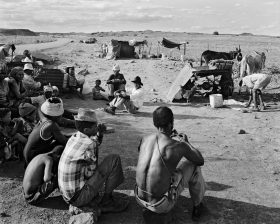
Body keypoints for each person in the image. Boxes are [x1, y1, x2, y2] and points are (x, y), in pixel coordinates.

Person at [135, 106, 206, 222]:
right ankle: (198, 206)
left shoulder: (144, 139)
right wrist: (187, 143)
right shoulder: (178, 146)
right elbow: (200, 160)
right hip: (160, 205)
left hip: (139, 199)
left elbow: (148, 155)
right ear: (171, 124)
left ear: (155, 123)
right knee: (193, 166)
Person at [58, 108, 129, 221]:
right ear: (87, 129)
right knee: (114, 160)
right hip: (78, 198)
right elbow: (91, 173)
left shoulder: (74, 136)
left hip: (67, 195)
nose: (97, 127)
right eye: (95, 126)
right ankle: (106, 201)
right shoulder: (90, 144)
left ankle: (94, 198)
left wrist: (99, 133)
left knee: (99, 167)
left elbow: (93, 144)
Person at [23, 97, 68, 165]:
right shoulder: (52, 125)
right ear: (57, 116)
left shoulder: (43, 120)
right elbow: (64, 141)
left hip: (27, 155)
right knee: (61, 147)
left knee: (56, 142)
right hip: (32, 158)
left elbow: (59, 135)